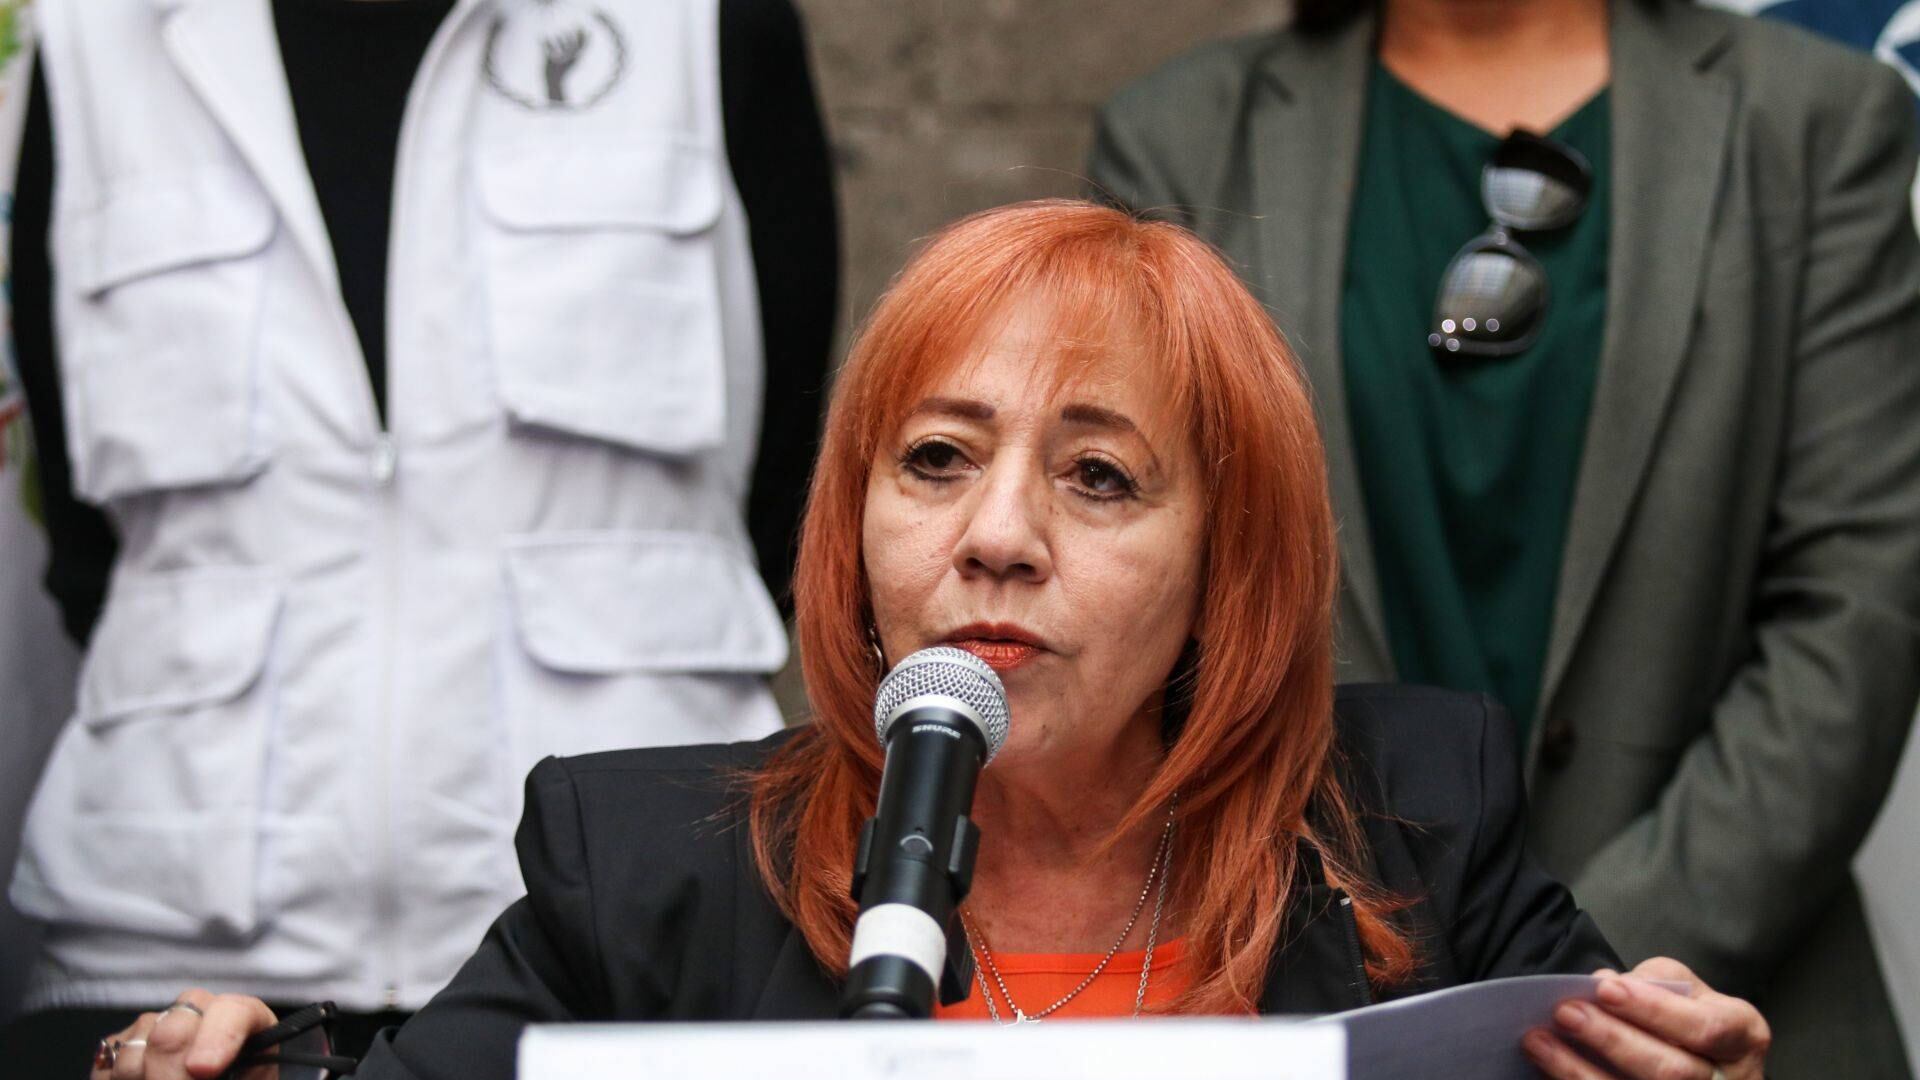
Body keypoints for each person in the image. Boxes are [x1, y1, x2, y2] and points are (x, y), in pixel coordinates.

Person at [94, 201, 1772, 1080]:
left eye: (1099, 476)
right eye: (938, 460)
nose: (997, 535)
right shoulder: (645, 866)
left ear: (1230, 565)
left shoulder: (1415, 823)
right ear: (857, 523)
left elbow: (1617, 1049)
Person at [1087, 0, 1920, 1074]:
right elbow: (1136, 579)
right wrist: (1412, 996)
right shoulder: (1181, 132)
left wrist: (1572, 987)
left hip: (1719, 1007)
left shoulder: (1813, 117)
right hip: (1310, 991)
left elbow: (1858, 606)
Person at [2, 0, 836, 1070]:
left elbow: (790, 498)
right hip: (162, 951)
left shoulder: (700, 22)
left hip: (613, 949)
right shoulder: (97, 35)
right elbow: (90, 543)